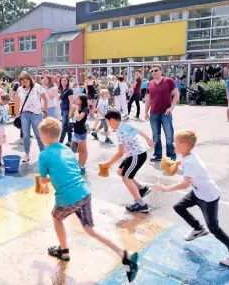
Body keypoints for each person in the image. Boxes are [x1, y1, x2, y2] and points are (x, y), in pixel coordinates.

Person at [37, 117, 139, 282]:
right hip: (84, 192)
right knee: (90, 229)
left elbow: (42, 181)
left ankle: (64, 251)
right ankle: (124, 253)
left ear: (45, 136)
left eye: (41, 135)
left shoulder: (44, 155)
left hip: (68, 197)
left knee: (56, 218)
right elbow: (71, 170)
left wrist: (44, 182)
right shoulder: (67, 148)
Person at [154, 130, 229, 267]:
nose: (173, 144)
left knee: (214, 228)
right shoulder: (189, 157)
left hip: (208, 198)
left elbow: (185, 184)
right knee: (179, 207)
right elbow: (187, 163)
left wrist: (166, 188)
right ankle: (198, 228)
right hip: (198, 193)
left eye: (176, 142)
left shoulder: (191, 163)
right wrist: (177, 164)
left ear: (184, 146)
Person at [101, 109, 154, 213]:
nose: (108, 124)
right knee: (120, 172)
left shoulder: (120, 131)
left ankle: (141, 204)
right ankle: (141, 189)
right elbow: (138, 130)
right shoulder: (124, 124)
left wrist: (109, 163)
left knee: (126, 178)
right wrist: (148, 139)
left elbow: (120, 153)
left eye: (108, 122)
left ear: (112, 120)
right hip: (136, 154)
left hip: (136, 155)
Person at [145, 64, 179, 162]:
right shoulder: (149, 83)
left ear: (161, 71)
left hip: (166, 113)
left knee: (169, 135)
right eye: (152, 71)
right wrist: (146, 112)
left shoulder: (169, 81)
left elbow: (176, 94)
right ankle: (157, 155)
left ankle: (171, 155)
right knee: (155, 135)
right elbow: (148, 98)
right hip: (154, 113)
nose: (153, 73)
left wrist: (172, 107)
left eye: (156, 70)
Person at [16, 71, 48, 162]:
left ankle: (43, 154)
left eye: (26, 81)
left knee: (38, 134)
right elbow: (17, 101)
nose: (24, 83)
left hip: (36, 114)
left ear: (30, 80)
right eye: (22, 82)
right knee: (25, 135)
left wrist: (44, 111)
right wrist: (18, 113)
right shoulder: (20, 89)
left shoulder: (37, 87)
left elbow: (45, 98)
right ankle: (26, 154)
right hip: (24, 114)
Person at [69, 94, 89, 174]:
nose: (75, 100)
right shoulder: (76, 108)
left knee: (83, 150)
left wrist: (76, 109)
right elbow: (70, 116)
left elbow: (78, 118)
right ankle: (80, 164)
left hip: (81, 132)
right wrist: (72, 109)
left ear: (81, 101)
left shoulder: (85, 109)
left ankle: (82, 166)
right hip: (76, 131)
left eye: (77, 99)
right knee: (79, 150)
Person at [58, 76, 73, 146]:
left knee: (64, 126)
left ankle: (60, 142)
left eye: (65, 80)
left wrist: (70, 112)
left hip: (66, 110)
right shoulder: (63, 90)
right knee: (67, 126)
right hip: (63, 110)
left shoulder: (69, 90)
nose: (63, 82)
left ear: (67, 82)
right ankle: (70, 141)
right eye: (62, 81)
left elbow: (71, 102)